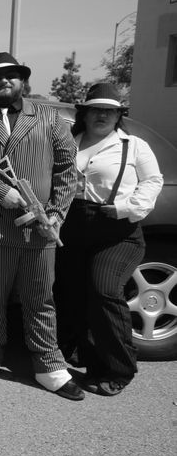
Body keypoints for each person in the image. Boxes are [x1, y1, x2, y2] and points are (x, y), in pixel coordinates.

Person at [0, 51, 83, 401]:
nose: (4, 81)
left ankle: (48, 363)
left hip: (40, 229)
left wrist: (56, 214)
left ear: (23, 80)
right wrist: (0, 193)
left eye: (11, 75)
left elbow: (67, 168)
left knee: (40, 298)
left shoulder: (48, 117)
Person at [55, 83, 162, 396]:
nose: (102, 115)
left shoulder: (134, 146)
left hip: (117, 231)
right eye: (96, 110)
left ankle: (120, 368)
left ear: (118, 116)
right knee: (74, 295)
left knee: (103, 290)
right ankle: (87, 359)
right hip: (73, 228)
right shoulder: (69, 142)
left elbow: (152, 181)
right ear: (85, 114)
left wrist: (127, 208)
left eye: (109, 111)